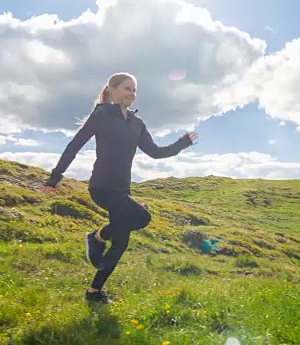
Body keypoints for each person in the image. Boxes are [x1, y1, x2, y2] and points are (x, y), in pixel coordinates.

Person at [41, 72, 198, 304]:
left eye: (134, 90)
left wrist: (182, 143)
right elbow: (74, 145)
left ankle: (94, 293)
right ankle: (96, 237)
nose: (131, 94)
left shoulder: (137, 124)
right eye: (127, 88)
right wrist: (54, 179)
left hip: (122, 189)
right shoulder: (101, 115)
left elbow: (156, 152)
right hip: (102, 186)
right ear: (112, 90)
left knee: (121, 241)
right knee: (142, 216)